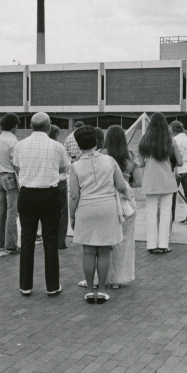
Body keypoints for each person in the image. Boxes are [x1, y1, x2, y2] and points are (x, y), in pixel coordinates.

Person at [70, 125, 129, 304]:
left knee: (88, 251)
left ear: (79, 144)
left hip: (86, 207)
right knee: (104, 250)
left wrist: (72, 216)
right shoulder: (110, 160)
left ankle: (89, 290)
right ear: (96, 141)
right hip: (108, 207)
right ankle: (102, 290)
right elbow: (121, 185)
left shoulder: (75, 166)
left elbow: (74, 195)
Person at [12, 112, 70, 297]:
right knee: (50, 240)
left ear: (30, 126)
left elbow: (17, 167)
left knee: (27, 239)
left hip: (27, 193)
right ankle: (52, 286)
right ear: (48, 126)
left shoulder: (19, 145)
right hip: (50, 194)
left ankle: (25, 285)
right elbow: (63, 169)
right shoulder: (57, 146)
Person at [102, 125, 142, 288]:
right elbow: (139, 182)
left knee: (103, 240)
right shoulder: (131, 156)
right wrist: (126, 181)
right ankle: (118, 279)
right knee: (124, 240)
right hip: (126, 200)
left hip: (106, 197)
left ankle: (100, 277)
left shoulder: (101, 155)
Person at [138, 113, 182, 254]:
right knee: (165, 212)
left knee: (150, 212)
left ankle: (151, 245)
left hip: (150, 179)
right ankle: (163, 244)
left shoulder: (144, 140)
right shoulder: (170, 141)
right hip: (167, 180)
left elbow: (140, 163)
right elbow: (180, 161)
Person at [0, 113, 20, 254]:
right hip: (10, 177)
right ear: (13, 126)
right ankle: (11, 244)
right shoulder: (13, 141)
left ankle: (1, 243)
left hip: (0, 176)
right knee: (12, 212)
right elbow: (16, 163)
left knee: (1, 211)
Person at [169, 121, 187, 224]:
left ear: (174, 129)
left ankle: (171, 217)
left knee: (172, 194)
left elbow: (175, 157)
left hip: (177, 170)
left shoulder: (174, 140)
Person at [48, 125, 70, 249]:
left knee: (49, 213)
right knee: (62, 212)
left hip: (47, 183)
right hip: (59, 182)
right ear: (56, 134)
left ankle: (50, 239)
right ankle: (60, 241)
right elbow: (65, 167)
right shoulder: (58, 147)